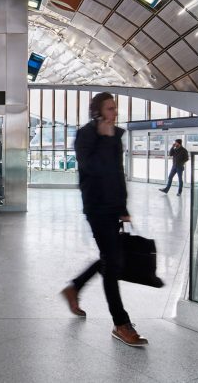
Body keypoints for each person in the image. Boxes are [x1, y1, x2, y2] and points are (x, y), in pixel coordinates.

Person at [60, 92, 148, 347]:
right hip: (96, 206)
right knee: (111, 263)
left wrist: (123, 206)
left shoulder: (115, 136)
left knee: (111, 258)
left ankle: (75, 287)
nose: (114, 112)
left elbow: (118, 172)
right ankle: (120, 323)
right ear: (97, 111)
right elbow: (91, 168)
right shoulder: (86, 135)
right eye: (110, 108)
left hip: (113, 206)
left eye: (115, 108)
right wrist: (106, 140)